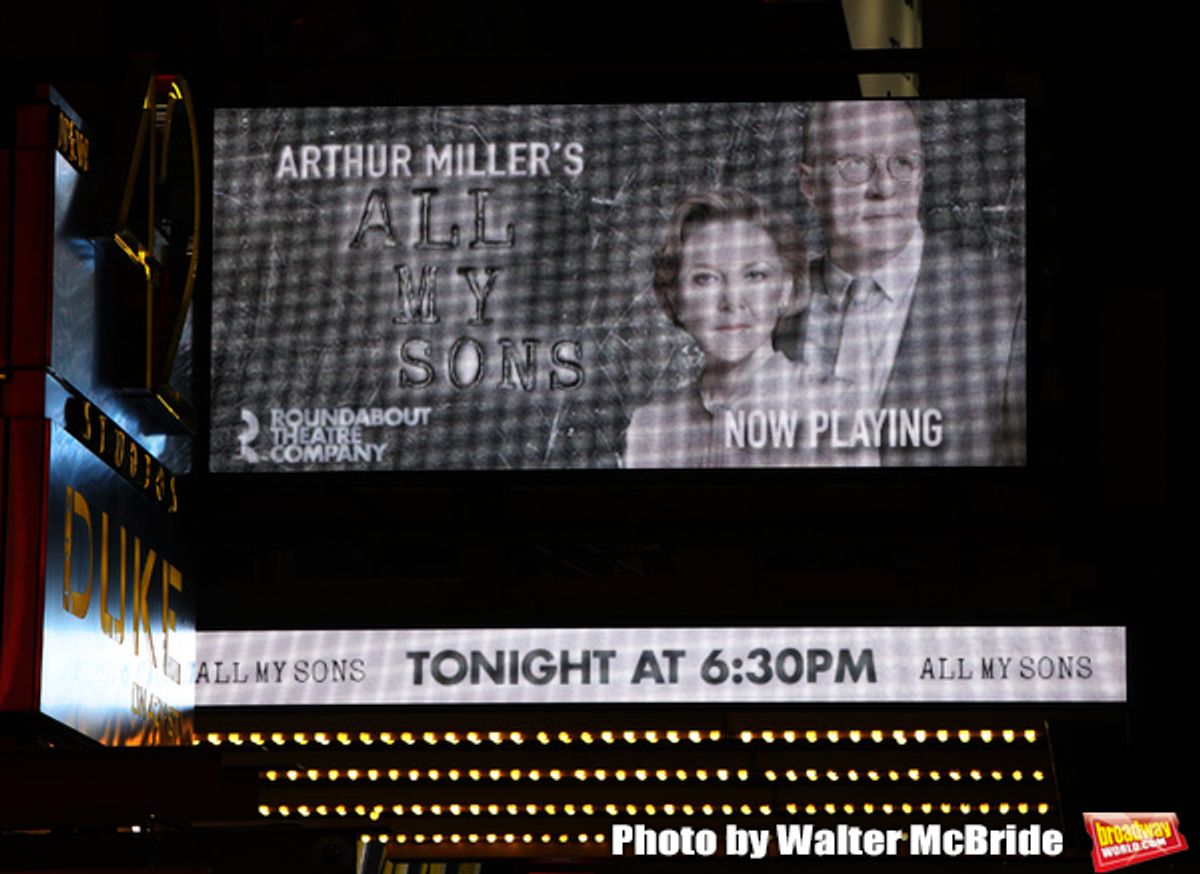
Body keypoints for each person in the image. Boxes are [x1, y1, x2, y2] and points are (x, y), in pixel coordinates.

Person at [774, 100, 1026, 466]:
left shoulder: (1007, 301)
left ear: (921, 178)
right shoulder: (769, 304)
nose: (884, 187)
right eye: (855, 164)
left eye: (903, 163)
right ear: (809, 185)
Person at [624, 189, 871, 468]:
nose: (732, 301)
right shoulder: (651, 424)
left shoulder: (836, 408)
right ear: (676, 297)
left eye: (755, 275)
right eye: (705, 278)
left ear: (786, 290)